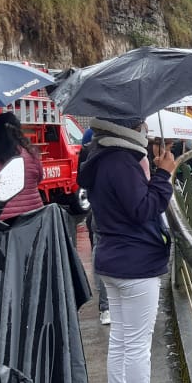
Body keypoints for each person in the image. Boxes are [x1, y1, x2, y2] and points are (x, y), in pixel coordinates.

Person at [77, 117, 183, 383]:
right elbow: (144, 209)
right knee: (137, 346)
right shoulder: (120, 161)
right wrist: (164, 173)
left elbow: (128, 205)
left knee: (122, 342)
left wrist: (154, 167)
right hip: (135, 263)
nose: (145, 128)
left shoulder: (99, 156)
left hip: (113, 258)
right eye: (140, 123)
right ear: (127, 127)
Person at [79, 128, 110, 326]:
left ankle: (105, 306)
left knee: (99, 249)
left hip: (97, 208)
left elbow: (81, 180)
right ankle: (106, 306)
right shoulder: (117, 150)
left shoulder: (88, 141)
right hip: (110, 213)